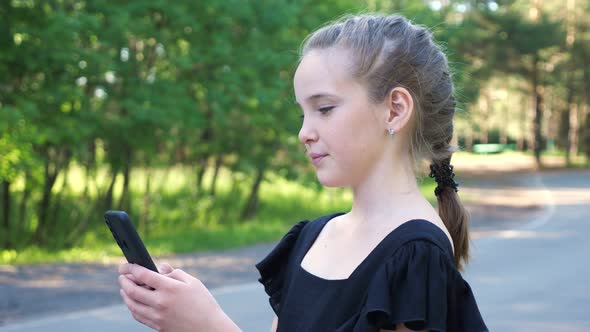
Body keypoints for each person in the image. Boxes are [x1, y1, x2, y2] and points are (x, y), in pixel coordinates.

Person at [117, 13, 489, 332]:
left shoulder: (415, 255)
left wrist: (210, 324)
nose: (304, 132)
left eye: (324, 108)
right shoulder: (313, 236)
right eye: (302, 113)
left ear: (394, 110)